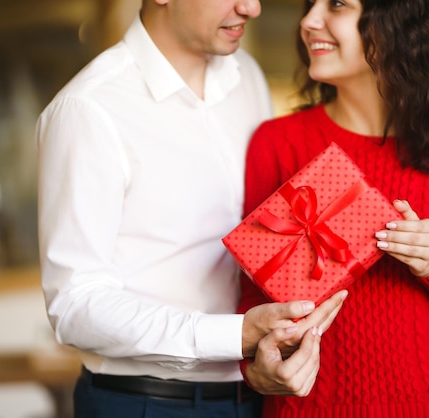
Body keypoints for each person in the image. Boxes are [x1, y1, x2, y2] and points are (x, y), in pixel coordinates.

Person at [35, 1, 349, 417]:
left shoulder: (247, 78)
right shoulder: (89, 109)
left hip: (257, 395)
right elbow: (74, 305)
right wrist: (234, 335)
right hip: (143, 404)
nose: (252, 8)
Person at [237, 0, 429, 417]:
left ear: (398, 23)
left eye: (337, 5)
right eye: (310, 5)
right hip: (305, 410)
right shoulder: (278, 143)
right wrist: (255, 367)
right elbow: (248, 300)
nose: (308, 21)